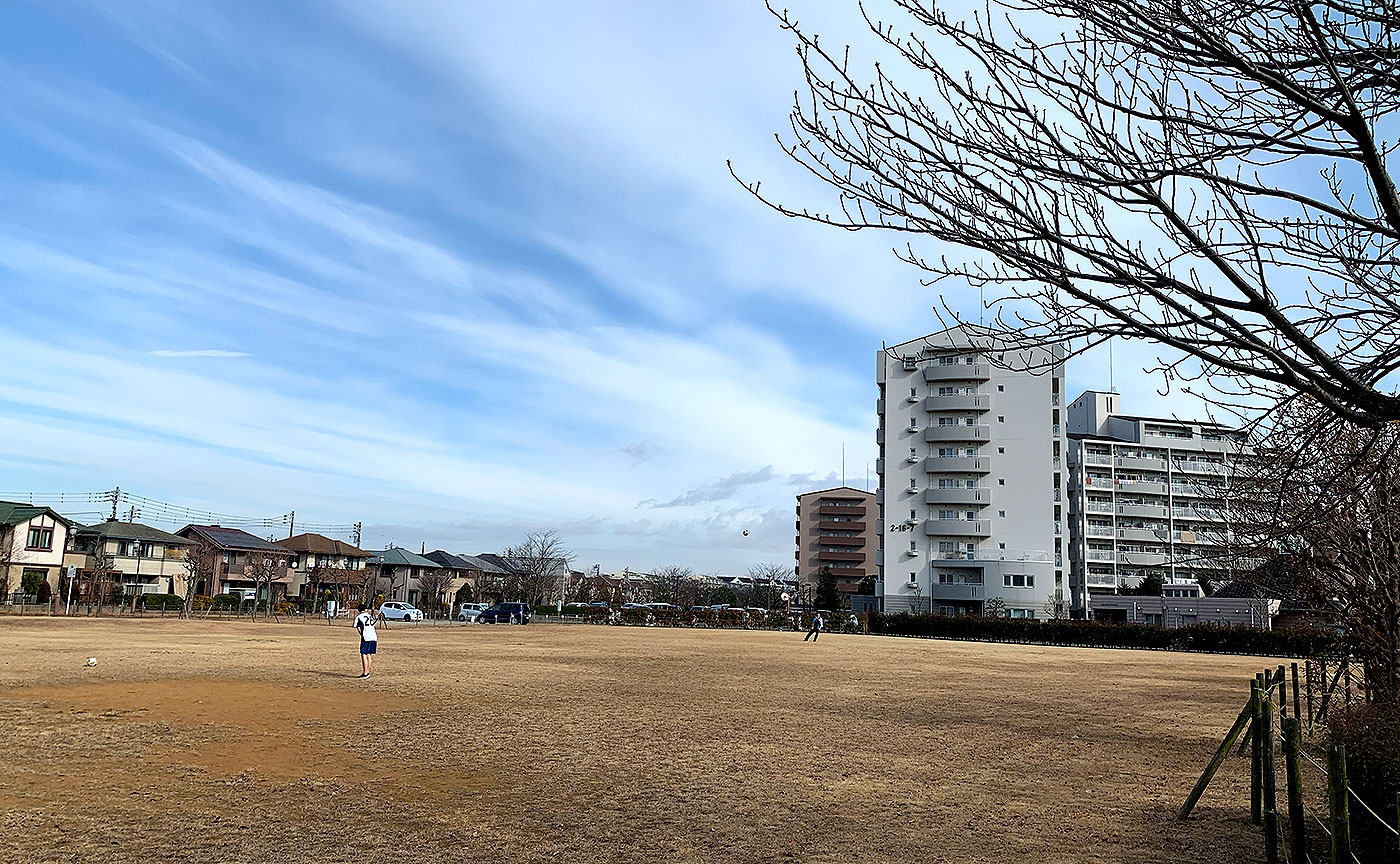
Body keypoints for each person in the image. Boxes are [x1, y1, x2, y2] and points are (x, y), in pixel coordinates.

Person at [353, 603, 377, 678]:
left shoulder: (359, 617)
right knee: (369, 654)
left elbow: (357, 627)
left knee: (364, 654)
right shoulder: (370, 616)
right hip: (373, 636)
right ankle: (367, 671)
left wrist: (361, 634)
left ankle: (365, 673)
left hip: (366, 637)